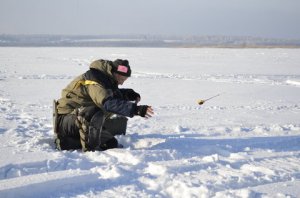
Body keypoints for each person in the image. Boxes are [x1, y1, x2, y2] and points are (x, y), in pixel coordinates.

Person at [53, 59, 154, 152]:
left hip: (80, 119)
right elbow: (107, 102)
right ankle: (90, 152)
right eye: (122, 79)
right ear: (115, 73)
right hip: (67, 119)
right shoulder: (94, 79)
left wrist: (128, 94)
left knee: (111, 144)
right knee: (94, 112)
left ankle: (70, 142)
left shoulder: (105, 79)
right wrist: (136, 109)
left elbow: (110, 94)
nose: (122, 83)